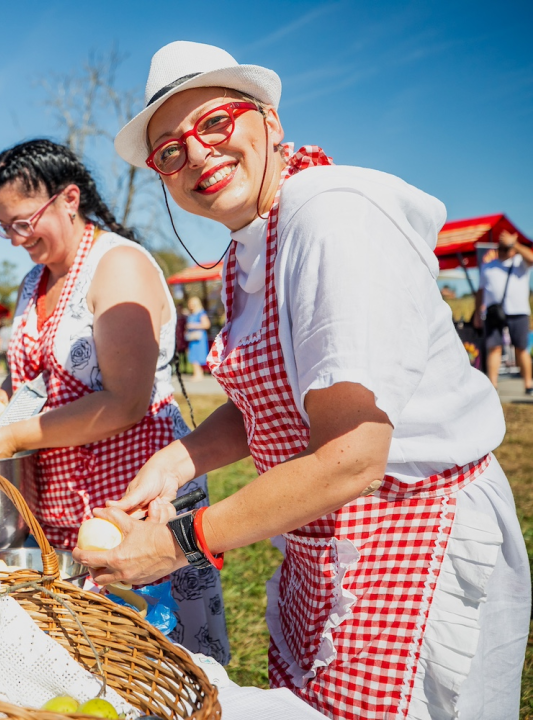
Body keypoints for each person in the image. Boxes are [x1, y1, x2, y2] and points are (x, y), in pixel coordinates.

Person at [72, 41, 530, 719]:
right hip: (332, 539)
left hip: (414, 529)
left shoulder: (330, 215)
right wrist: (179, 459)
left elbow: (352, 457)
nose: (195, 154)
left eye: (215, 124)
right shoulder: (253, 243)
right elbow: (276, 395)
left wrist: (177, 542)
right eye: (169, 150)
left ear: (270, 121)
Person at [0, 139, 228, 662]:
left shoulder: (118, 267)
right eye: (4, 226)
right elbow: (35, 378)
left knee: (153, 671)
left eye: (24, 221)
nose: (16, 239)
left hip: (134, 506)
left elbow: (126, 400)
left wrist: (12, 434)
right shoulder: (32, 283)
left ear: (68, 198)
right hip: (61, 512)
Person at [478, 229, 533, 393]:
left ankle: (528, 384)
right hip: (494, 312)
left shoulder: (520, 262)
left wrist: (514, 243)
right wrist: (477, 312)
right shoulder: (488, 266)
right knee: (493, 347)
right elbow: (481, 291)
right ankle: (492, 386)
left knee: (521, 348)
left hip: (519, 311)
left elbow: (531, 258)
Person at [184, 296, 211, 381]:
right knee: (192, 355)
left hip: (199, 338)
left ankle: (199, 374)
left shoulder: (201, 313)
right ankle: (197, 373)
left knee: (198, 355)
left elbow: (206, 325)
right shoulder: (191, 314)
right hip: (192, 338)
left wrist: (194, 325)